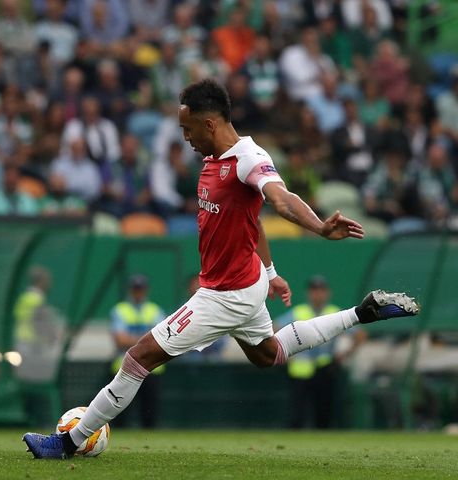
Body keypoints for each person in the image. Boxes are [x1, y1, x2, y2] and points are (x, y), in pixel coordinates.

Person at [23, 78, 419, 459]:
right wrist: (270, 270)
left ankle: (69, 443)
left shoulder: (249, 158)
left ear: (209, 122)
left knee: (137, 359)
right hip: (247, 281)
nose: (185, 136)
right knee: (270, 354)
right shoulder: (214, 159)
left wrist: (318, 226)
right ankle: (361, 312)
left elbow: (280, 199)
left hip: (224, 293)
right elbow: (254, 221)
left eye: (187, 127)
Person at [275, 276, 365, 429]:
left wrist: (344, 354)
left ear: (327, 293)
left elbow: (360, 334)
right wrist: (285, 354)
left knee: (323, 413)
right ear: (309, 293)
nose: (318, 294)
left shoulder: (333, 312)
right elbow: (275, 327)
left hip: (325, 368)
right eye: (314, 291)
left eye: (321, 290)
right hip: (300, 370)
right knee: (297, 413)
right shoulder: (300, 312)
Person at [109, 275, 164, 429]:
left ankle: (148, 440)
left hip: (152, 368)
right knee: (120, 410)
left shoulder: (155, 310)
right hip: (123, 366)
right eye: (135, 289)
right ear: (130, 290)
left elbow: (161, 340)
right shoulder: (120, 310)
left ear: (146, 290)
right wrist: (146, 341)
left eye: (140, 289)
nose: (138, 293)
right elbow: (119, 340)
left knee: (149, 411)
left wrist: (132, 339)